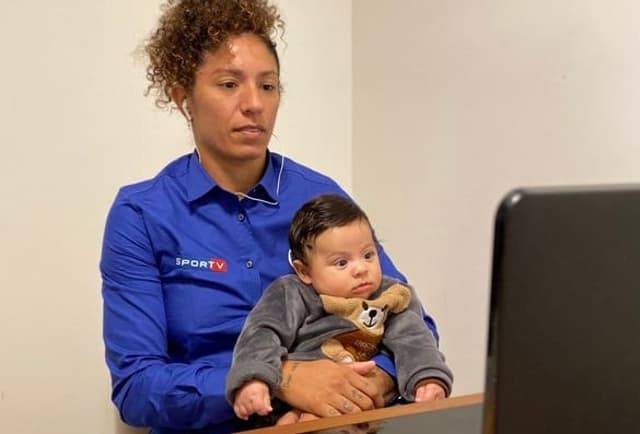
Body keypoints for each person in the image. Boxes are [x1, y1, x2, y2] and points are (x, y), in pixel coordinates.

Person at [100, 1, 442, 433]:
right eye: (228, 84)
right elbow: (136, 387)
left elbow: (403, 312)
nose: (254, 104)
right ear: (182, 98)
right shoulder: (142, 214)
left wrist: (378, 379)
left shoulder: (319, 195)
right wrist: (283, 379)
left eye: (268, 86)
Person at [227, 194, 453, 423]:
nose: (361, 269)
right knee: (298, 422)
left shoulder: (391, 295)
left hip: (369, 402)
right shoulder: (291, 293)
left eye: (368, 255)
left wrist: (427, 378)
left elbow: (414, 338)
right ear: (304, 271)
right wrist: (253, 379)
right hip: (301, 397)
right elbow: (261, 333)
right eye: (341, 263)